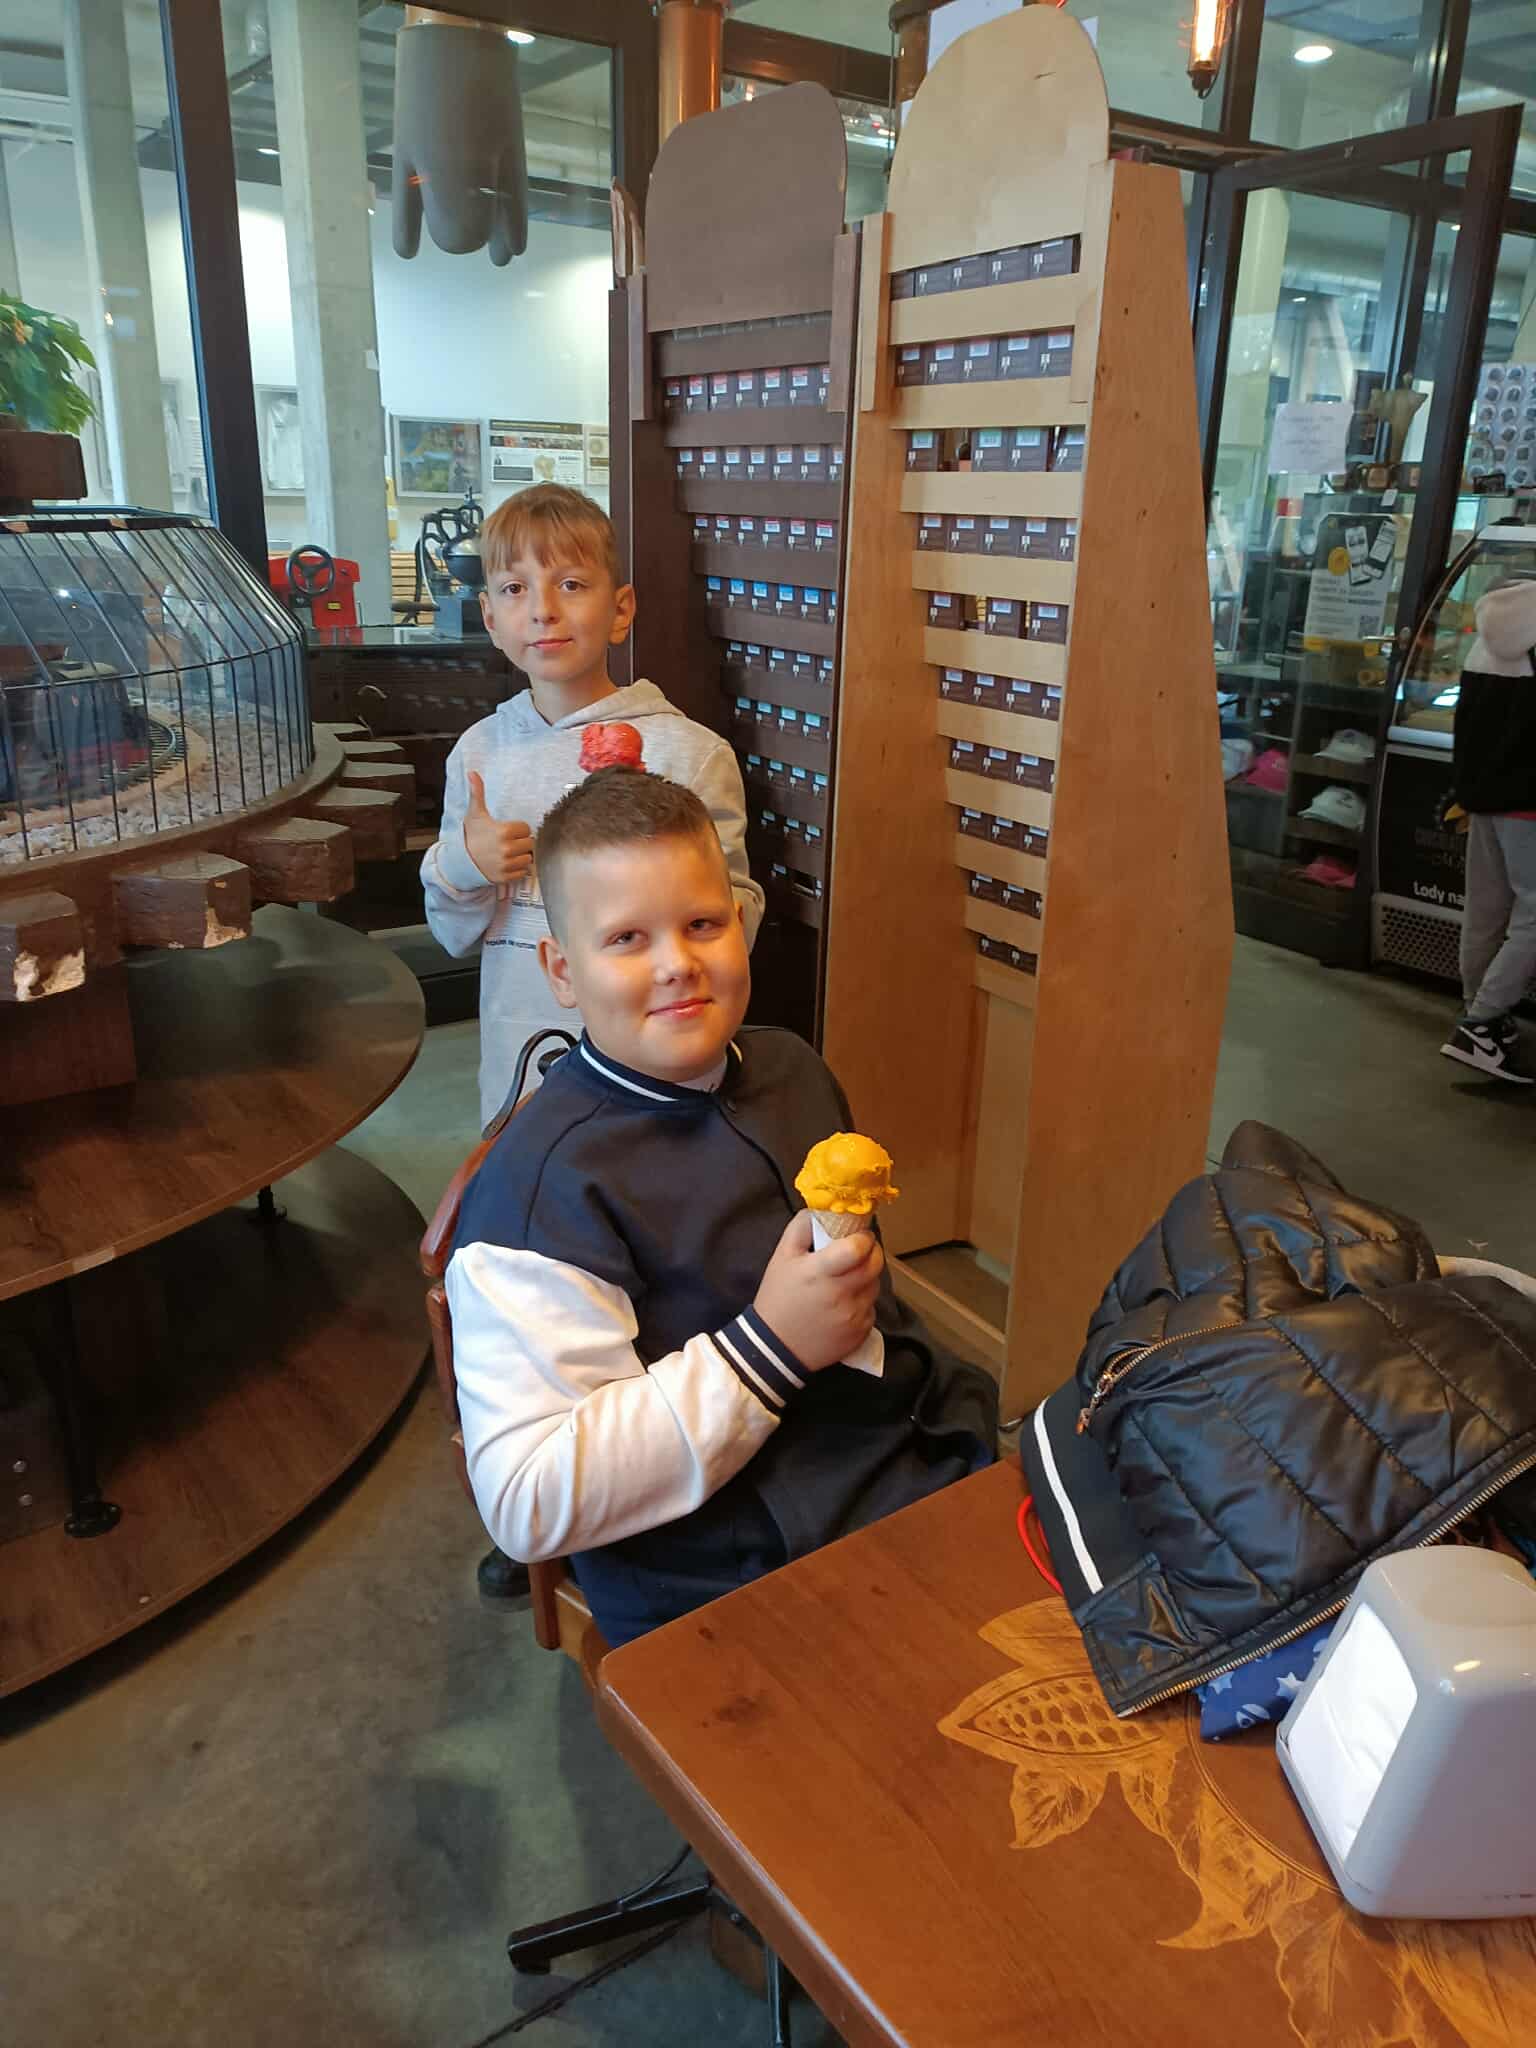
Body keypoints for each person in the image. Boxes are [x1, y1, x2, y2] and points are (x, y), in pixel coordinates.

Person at [445, 770, 998, 1648]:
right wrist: (771, 1347)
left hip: (898, 1446)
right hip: (726, 1566)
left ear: (742, 922)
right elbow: (526, 1499)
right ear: (562, 969)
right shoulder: (542, 1196)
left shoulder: (792, 1069)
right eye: (627, 938)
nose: (677, 963)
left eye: (702, 924)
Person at [421, 483, 764, 1132]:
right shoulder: (479, 755)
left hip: (663, 1071)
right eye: (514, 588)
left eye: (572, 584)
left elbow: (736, 927)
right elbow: (452, 933)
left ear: (620, 608)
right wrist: (465, 865)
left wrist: (659, 863)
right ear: (489, 617)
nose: (543, 611)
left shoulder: (690, 754)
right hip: (521, 1065)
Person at [1441, 577, 1536, 1083]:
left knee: (1484, 913)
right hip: (1529, 805)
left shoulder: (1489, 633)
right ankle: (1480, 1024)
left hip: (1481, 799)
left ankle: (1479, 1013)